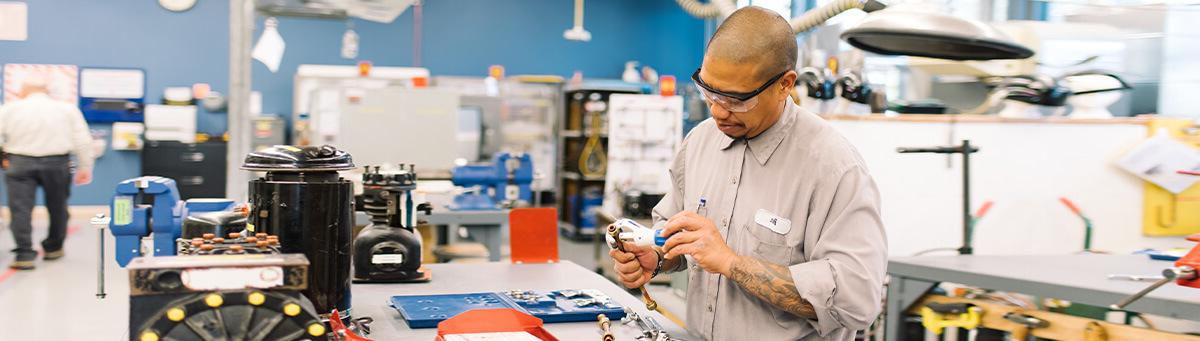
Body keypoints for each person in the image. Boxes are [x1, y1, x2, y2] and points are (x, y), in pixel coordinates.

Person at [608, 7, 887, 340]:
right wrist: (654, 257)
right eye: (708, 90)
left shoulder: (833, 168)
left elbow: (857, 301)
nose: (717, 110)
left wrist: (731, 263)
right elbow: (672, 235)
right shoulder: (700, 142)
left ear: (785, 85)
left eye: (736, 99)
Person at [0, 74, 95, 270]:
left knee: (20, 210)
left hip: (20, 162)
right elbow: (83, 140)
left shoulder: (9, 109)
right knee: (58, 206)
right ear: (47, 91)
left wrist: (3, 160)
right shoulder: (66, 109)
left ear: (23, 91)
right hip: (57, 162)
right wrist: (85, 167)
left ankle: (24, 254)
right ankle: (54, 248)